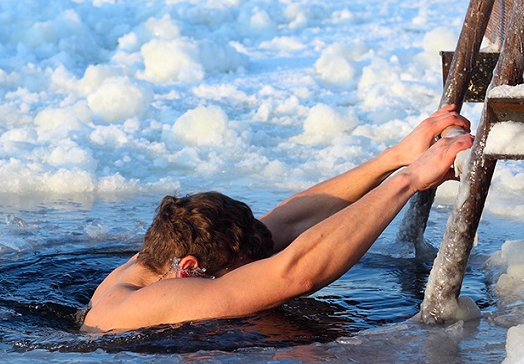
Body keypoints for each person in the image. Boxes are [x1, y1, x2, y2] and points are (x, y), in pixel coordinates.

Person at [81, 106, 472, 332]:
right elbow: (295, 273)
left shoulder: (159, 261)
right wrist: (409, 182)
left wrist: (395, 158)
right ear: (189, 268)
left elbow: (285, 223)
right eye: (241, 268)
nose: (253, 266)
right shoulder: (152, 300)